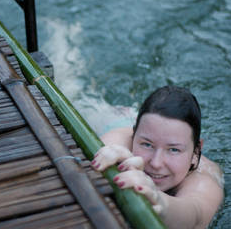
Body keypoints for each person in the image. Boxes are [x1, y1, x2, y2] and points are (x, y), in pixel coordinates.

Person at [91, 85, 224, 229]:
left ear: (196, 152)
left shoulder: (205, 180)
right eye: (147, 145)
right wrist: (114, 159)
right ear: (134, 134)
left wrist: (160, 201)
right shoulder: (122, 138)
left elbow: (194, 214)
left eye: (174, 149)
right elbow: (107, 149)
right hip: (114, 118)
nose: (156, 163)